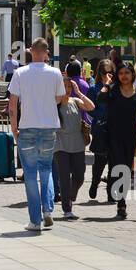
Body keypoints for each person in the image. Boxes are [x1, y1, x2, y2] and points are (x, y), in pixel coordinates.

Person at [8, 38, 67, 232]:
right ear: (47, 53)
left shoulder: (20, 73)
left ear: (31, 51)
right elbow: (59, 98)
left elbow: (12, 104)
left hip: (28, 126)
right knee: (46, 169)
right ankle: (48, 209)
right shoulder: (55, 73)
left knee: (31, 174)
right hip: (49, 126)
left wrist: (14, 128)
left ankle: (35, 220)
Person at [100, 61, 136, 220]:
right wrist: (107, 84)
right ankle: (119, 198)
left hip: (130, 137)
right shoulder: (113, 90)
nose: (124, 76)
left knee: (126, 169)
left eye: (127, 73)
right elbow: (100, 98)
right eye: (121, 73)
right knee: (117, 166)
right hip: (112, 135)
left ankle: (121, 202)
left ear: (132, 75)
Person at [54, 74, 93, 219]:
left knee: (79, 176)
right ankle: (66, 209)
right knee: (64, 177)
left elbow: (91, 106)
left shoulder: (76, 101)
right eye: (64, 86)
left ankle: (71, 197)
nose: (67, 89)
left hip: (77, 143)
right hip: (60, 144)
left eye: (69, 86)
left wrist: (79, 93)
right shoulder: (54, 103)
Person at [86, 59, 113, 198]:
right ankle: (95, 183)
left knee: (114, 161)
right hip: (100, 128)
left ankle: (110, 191)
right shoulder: (93, 88)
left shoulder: (117, 88)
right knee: (100, 161)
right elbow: (90, 109)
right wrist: (100, 116)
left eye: (110, 72)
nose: (107, 75)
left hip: (115, 129)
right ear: (99, 73)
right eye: (104, 72)